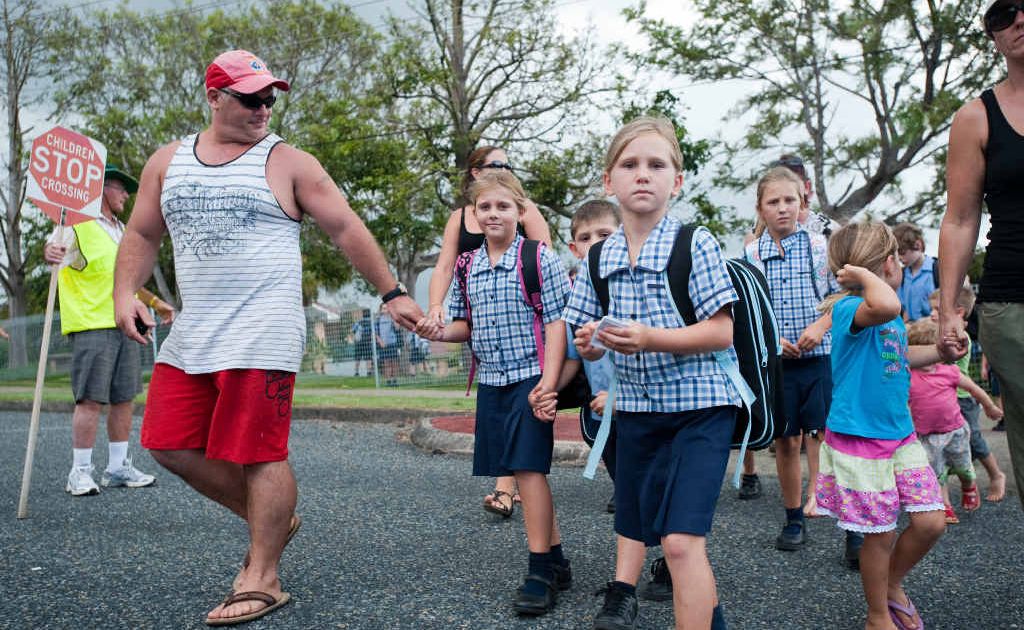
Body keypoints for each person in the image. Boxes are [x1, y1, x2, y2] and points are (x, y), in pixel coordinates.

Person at [111, 50, 423, 626]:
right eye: (250, 98)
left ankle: (263, 576)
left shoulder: (289, 162)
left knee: (258, 452)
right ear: (214, 97)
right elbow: (141, 232)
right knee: (166, 442)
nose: (263, 109)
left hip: (264, 330)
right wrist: (123, 292)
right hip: (196, 331)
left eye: (269, 99)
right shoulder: (167, 162)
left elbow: (345, 227)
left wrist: (392, 293)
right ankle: (272, 520)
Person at [563, 116, 739, 630]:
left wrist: (649, 337)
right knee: (660, 532)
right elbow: (589, 347)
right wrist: (591, 343)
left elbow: (721, 332)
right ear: (608, 181)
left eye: (656, 165)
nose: (643, 174)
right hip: (637, 415)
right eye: (630, 164)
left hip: (701, 409)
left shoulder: (694, 242)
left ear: (676, 182)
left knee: (682, 543)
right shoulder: (598, 257)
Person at [418, 170, 571, 616]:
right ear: (473, 213)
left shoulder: (537, 257)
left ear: (520, 212)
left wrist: (549, 380)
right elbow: (466, 324)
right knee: (516, 469)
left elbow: (558, 321)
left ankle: (540, 570)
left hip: (530, 378)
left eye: (503, 206)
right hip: (493, 381)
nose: (493, 214)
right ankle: (558, 560)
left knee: (528, 471)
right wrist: (436, 328)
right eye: (484, 207)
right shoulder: (468, 267)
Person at [814, 221, 950, 630]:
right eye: (892, 257)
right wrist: (865, 278)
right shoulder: (850, 309)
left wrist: (940, 351)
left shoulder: (888, 314)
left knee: (931, 521)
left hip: (899, 435)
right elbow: (886, 306)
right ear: (885, 264)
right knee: (879, 534)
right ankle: (878, 616)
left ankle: (891, 583)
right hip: (860, 440)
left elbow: (901, 355)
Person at [422, 145, 553, 517]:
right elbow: (445, 266)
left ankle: (509, 488)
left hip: (522, 324)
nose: (502, 168)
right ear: (474, 171)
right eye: (495, 164)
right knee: (497, 404)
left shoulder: (526, 210)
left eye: (507, 165)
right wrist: (436, 308)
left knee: (521, 405)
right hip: (481, 314)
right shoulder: (460, 218)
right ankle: (510, 482)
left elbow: (545, 258)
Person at [43, 164, 174, 497]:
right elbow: (54, 250)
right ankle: (80, 472)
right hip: (91, 325)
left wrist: (156, 302)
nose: (126, 195)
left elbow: (124, 280)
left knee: (123, 398)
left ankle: (117, 468)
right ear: (101, 190)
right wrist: (51, 252)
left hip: (124, 323)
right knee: (90, 400)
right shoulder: (76, 225)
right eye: (120, 188)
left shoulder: (121, 231)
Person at [939, 0, 1024, 511]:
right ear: (993, 36)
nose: (1019, 21)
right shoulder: (976, 116)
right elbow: (960, 218)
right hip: (1012, 304)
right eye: (1004, 14)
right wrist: (950, 309)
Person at [743, 167, 837, 551]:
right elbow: (748, 313)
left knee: (828, 437)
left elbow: (843, 298)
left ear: (802, 203)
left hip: (821, 357)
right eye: (773, 202)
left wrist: (822, 325)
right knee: (785, 440)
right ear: (761, 208)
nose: (782, 209)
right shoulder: (751, 255)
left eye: (789, 201)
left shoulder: (820, 247)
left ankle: (851, 527)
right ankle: (793, 517)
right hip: (779, 363)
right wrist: (772, 339)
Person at [906, 319, 1002, 524]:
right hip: (927, 435)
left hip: (955, 431)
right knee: (937, 472)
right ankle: (945, 505)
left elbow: (974, 389)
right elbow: (902, 401)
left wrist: (989, 406)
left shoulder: (949, 371)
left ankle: (969, 485)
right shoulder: (909, 376)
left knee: (963, 467)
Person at [928, 287, 1008, 502]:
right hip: (944, 399)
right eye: (932, 310)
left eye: (937, 310)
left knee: (973, 438)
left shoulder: (958, 336)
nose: (932, 314)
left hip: (962, 397)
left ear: (959, 312)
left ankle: (996, 474)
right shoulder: (940, 334)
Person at [892, 223, 938, 322]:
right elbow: (903, 310)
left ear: (918, 245)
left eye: (902, 252)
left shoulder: (937, 270)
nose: (899, 258)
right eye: (896, 254)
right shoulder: (902, 275)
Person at [376, 304, 401, 386]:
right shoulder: (378, 320)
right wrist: (380, 342)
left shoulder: (393, 317)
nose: (385, 310)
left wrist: (393, 317)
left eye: (387, 308)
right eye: (383, 308)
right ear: (380, 310)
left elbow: (397, 328)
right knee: (386, 363)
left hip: (393, 343)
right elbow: (376, 333)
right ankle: (388, 381)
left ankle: (395, 380)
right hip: (383, 345)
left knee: (394, 363)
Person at [351, 308, 373, 377]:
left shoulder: (359, 322)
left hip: (359, 343)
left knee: (357, 358)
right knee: (368, 358)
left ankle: (356, 372)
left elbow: (352, 331)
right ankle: (369, 372)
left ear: (363, 314)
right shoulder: (371, 322)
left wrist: (354, 339)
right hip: (367, 342)